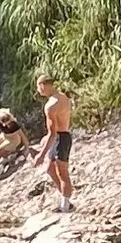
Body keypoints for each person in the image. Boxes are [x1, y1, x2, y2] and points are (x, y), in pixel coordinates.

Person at [37, 75, 73, 213]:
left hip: (61, 138)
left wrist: (41, 154)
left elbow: (53, 132)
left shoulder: (50, 106)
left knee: (62, 173)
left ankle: (65, 207)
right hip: (61, 136)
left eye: (38, 87)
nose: (39, 91)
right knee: (50, 169)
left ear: (42, 85)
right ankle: (65, 200)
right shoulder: (63, 97)